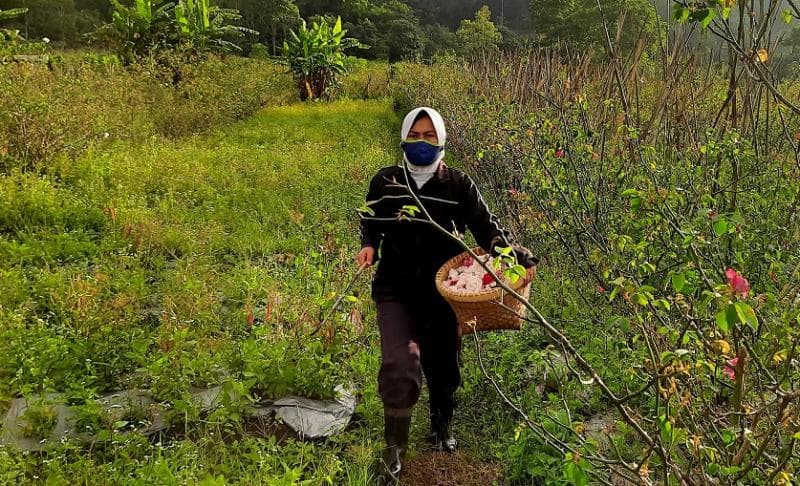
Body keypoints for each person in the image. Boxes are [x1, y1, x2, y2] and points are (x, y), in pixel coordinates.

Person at [356, 107, 537, 484]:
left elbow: (486, 229)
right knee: (399, 364)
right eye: (415, 135)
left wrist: (514, 254)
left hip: (444, 293)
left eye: (430, 136)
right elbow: (369, 220)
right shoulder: (387, 181)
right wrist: (369, 245)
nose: (422, 143)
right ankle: (394, 453)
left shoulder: (458, 185)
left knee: (444, 366)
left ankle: (441, 426)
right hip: (396, 289)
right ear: (404, 137)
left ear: (441, 140)